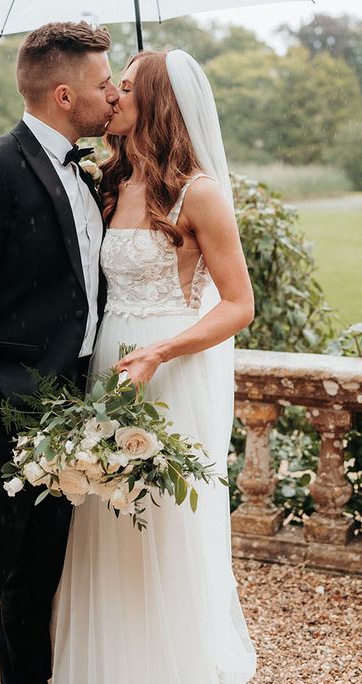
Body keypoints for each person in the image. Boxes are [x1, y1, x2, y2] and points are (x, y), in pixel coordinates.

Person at [50, 50, 258, 683]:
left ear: (160, 103)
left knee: (165, 518)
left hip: (172, 366)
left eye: (129, 87)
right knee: (103, 507)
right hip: (111, 361)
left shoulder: (200, 193)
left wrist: (162, 352)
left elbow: (240, 304)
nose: (112, 95)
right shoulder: (111, 184)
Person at [0, 22, 119, 684]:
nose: (113, 94)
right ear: (65, 95)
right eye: (103, 84)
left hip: (71, 411)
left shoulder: (88, 175)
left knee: (37, 586)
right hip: (6, 409)